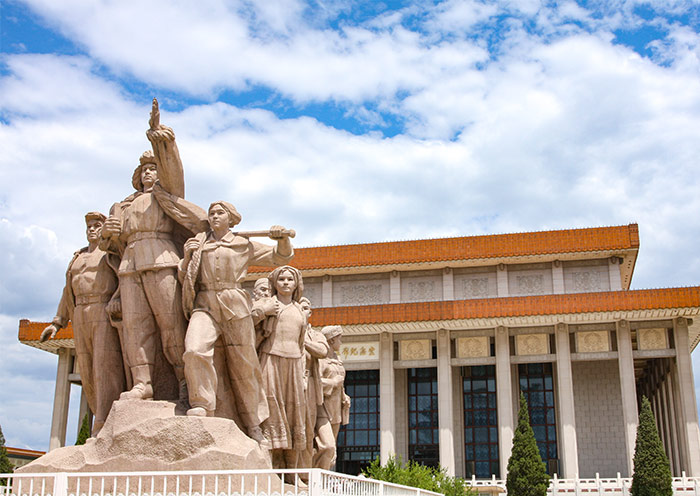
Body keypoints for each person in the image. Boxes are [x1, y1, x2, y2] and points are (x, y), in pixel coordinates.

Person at [100, 99, 207, 403]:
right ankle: (142, 383)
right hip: (130, 265)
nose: (149, 174)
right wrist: (110, 235)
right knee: (137, 327)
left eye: (153, 168)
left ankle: (184, 380)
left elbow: (173, 167)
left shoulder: (166, 195)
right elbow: (112, 247)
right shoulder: (124, 205)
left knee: (170, 324)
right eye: (144, 170)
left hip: (161, 260)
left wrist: (158, 134)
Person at [179, 201, 293, 443]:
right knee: (194, 350)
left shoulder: (243, 243)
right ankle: (202, 403)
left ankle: (253, 422)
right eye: (211, 213)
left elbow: (280, 256)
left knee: (245, 366)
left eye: (220, 213)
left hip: (234, 302)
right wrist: (188, 255)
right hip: (205, 302)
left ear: (231, 219)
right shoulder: (200, 243)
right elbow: (184, 276)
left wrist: (281, 238)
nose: (214, 217)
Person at [41, 212, 125, 435]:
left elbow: (124, 279)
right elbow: (67, 292)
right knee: (87, 370)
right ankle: (100, 416)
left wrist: (116, 299)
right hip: (80, 313)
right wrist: (57, 323)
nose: (92, 229)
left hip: (102, 308)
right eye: (89, 225)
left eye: (97, 225)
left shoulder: (111, 254)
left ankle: (108, 421)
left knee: (104, 366)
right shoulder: (77, 258)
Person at [255, 265, 307, 469]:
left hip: (294, 362)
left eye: (290, 279)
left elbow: (302, 345)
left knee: (295, 414)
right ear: (275, 283)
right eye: (282, 279)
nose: (285, 282)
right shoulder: (268, 305)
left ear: (296, 284)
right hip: (270, 359)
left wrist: (303, 374)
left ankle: (292, 472)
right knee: (271, 410)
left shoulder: (299, 311)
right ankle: (271, 469)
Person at [297, 297, 329, 471]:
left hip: (308, 385)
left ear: (310, 313)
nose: (303, 311)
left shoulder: (316, 335)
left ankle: (305, 473)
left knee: (307, 429)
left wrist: (303, 340)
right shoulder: (284, 331)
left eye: (306, 308)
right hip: (289, 383)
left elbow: (322, 351)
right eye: (299, 307)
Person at [313, 325, 351, 470]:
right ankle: (316, 477)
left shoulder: (338, 359)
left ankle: (324, 475)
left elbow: (340, 383)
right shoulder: (320, 361)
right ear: (331, 340)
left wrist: (344, 396)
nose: (341, 343)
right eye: (339, 339)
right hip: (322, 408)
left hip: (336, 409)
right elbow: (314, 382)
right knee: (326, 446)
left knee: (332, 449)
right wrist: (333, 383)